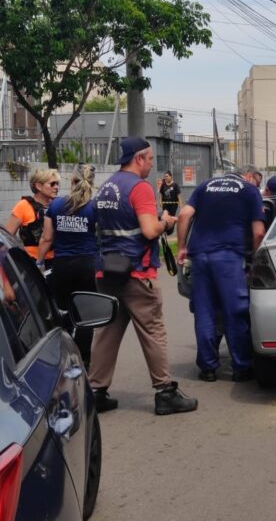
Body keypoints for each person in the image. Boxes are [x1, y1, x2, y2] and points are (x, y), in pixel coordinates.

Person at [90, 136, 197, 415]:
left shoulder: (106, 187)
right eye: (150, 159)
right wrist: (166, 221)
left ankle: (96, 392)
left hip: (107, 272)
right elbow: (149, 231)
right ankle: (165, 393)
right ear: (138, 158)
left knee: (107, 332)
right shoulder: (139, 188)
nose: (152, 165)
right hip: (137, 272)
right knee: (153, 331)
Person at [176, 166, 266, 383]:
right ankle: (241, 367)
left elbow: (184, 215)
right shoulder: (248, 190)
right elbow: (259, 232)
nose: (258, 186)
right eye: (258, 181)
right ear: (249, 177)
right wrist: (255, 258)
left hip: (200, 257)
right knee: (234, 312)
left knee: (205, 312)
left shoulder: (204, 186)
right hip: (229, 257)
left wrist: (181, 247)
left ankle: (207, 368)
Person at [38, 164, 98, 368]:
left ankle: (62, 355)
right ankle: (84, 360)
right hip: (88, 265)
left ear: (72, 181)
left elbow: (47, 238)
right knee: (85, 316)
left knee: (62, 312)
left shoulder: (55, 206)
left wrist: (38, 261)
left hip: (62, 266)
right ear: (92, 182)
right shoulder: (95, 207)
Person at [5, 168, 60, 266]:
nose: (56, 187)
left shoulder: (58, 205)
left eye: (57, 184)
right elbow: (6, 237)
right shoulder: (23, 206)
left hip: (58, 260)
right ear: (39, 186)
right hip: (32, 262)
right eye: (52, 184)